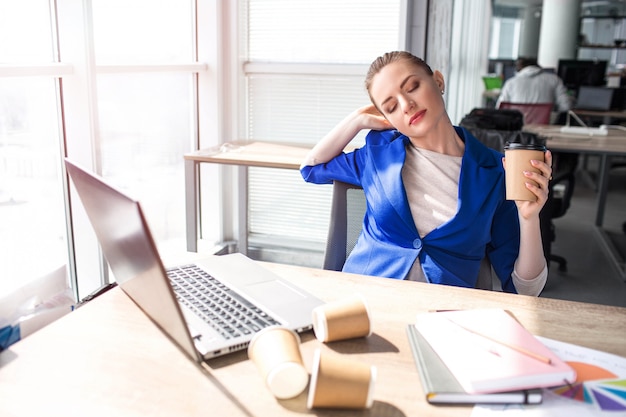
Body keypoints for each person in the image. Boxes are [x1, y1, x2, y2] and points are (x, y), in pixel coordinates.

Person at [300, 51, 552, 296]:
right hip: (363, 300)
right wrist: (357, 119)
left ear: (438, 81)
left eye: (412, 87)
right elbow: (311, 168)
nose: (406, 105)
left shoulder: (497, 172)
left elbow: (524, 289)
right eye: (391, 106)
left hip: (442, 316)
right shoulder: (377, 155)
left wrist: (529, 219)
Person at [496, 57, 572, 112]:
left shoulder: (510, 82)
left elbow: (500, 108)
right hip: (545, 128)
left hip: (517, 128)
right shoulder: (554, 79)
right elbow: (566, 106)